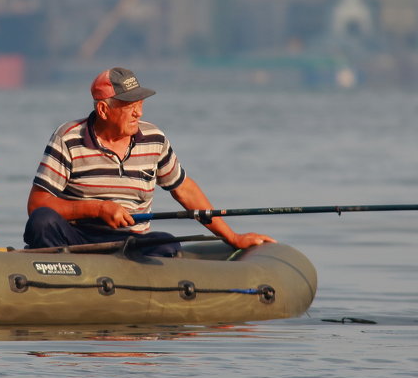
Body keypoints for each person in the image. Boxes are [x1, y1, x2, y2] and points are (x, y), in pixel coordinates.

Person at [24, 66, 273, 256]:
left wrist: (232, 238)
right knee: (42, 222)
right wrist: (98, 208)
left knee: (167, 244)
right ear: (103, 110)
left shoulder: (154, 139)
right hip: (76, 239)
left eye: (141, 104)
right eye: (130, 106)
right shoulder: (68, 137)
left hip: (129, 242)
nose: (139, 113)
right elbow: (37, 204)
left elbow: (184, 190)